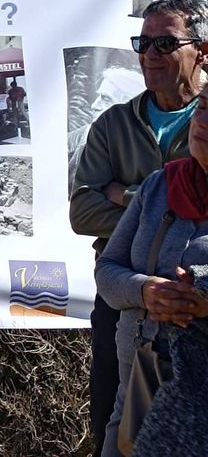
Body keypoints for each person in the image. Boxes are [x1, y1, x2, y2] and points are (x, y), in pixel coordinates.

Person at [72, 0, 208, 456]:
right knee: (117, 422)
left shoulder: (206, 119)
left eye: (165, 43)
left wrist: (122, 194)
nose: (149, 55)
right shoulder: (112, 124)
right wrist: (147, 201)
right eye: (143, 43)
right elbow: (81, 212)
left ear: (201, 50)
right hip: (128, 304)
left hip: (197, 319)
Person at [94, 85, 208, 456]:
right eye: (202, 108)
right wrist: (145, 291)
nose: (202, 122)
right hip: (138, 383)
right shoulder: (160, 185)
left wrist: (201, 299)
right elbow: (108, 269)